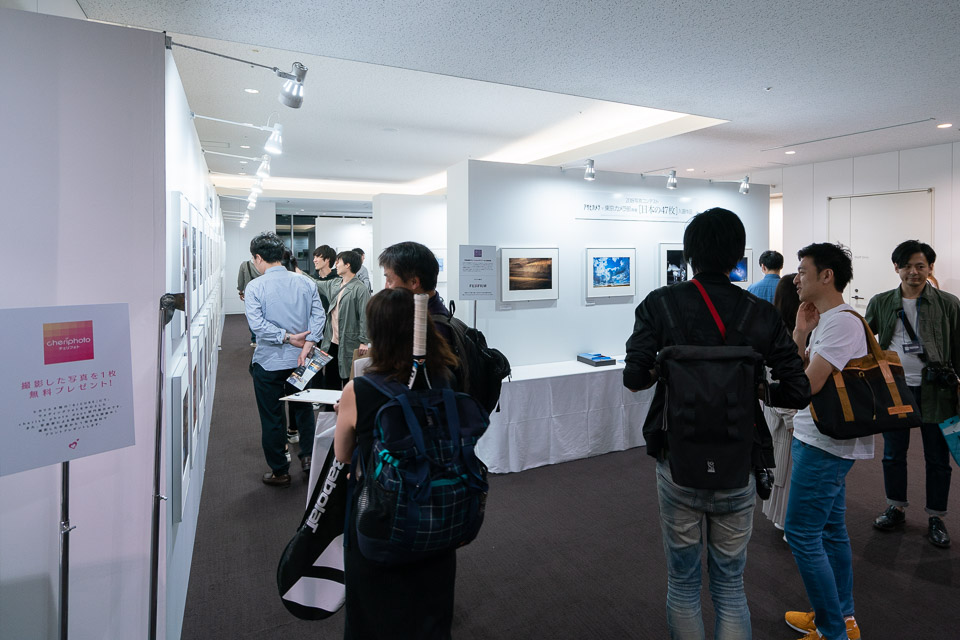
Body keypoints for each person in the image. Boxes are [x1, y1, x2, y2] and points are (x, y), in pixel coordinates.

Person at [623, 208, 810, 639]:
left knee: (684, 583)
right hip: (738, 461)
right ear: (737, 256)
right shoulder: (759, 314)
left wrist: (664, 370)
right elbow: (798, 390)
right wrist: (755, 388)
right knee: (729, 585)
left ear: (689, 253)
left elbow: (634, 378)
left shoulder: (660, 304)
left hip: (678, 459)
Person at [334, 287, 460, 639]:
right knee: (431, 608)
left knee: (374, 612)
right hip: (437, 510)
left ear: (379, 332)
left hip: (380, 513)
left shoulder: (359, 389)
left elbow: (343, 455)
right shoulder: (444, 377)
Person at [783, 243, 870, 640]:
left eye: (803, 270)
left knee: (801, 534)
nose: (797, 278)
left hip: (823, 444)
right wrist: (801, 334)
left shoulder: (842, 323)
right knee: (831, 532)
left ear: (826, 275)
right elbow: (806, 371)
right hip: (818, 439)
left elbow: (808, 385)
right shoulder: (826, 320)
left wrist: (798, 353)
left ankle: (832, 629)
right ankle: (840, 618)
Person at [866, 240, 959, 548]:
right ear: (896, 268)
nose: (913, 272)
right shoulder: (881, 301)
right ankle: (896, 507)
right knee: (893, 453)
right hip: (895, 389)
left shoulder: (948, 303)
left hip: (937, 391)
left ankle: (936, 516)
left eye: (920, 266)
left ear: (930, 268)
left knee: (937, 457)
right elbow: (866, 338)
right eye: (907, 266)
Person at [244, 232, 325, 487]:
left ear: (258, 258)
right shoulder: (305, 282)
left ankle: (280, 470)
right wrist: (307, 343)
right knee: (304, 411)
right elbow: (318, 317)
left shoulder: (255, 286)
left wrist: (287, 338)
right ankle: (309, 458)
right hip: (303, 360)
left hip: (268, 362)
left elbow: (256, 325)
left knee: (272, 416)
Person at [762, 274, 802, 532]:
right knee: (787, 472)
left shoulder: (782, 329)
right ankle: (791, 523)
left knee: (785, 470)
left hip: (781, 412)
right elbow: (777, 381)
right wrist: (791, 420)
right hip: (786, 415)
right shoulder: (782, 335)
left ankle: (787, 521)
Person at [314, 251, 371, 390]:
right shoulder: (334, 284)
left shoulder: (360, 289)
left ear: (348, 265)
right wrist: (297, 272)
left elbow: (365, 316)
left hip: (349, 343)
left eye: (338, 262)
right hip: (331, 341)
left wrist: (364, 341)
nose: (336, 265)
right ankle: (330, 410)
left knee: (348, 380)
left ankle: (347, 410)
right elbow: (315, 283)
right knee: (331, 379)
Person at [378, 241, 454, 345]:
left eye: (389, 281)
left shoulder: (432, 331)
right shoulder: (420, 316)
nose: (386, 287)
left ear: (413, 282)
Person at [238, 258, 261, 346]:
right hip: (263, 294)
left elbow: (240, 280)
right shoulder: (265, 265)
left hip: (250, 295)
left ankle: (254, 340)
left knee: (252, 316)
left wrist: (240, 291)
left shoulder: (245, 265)